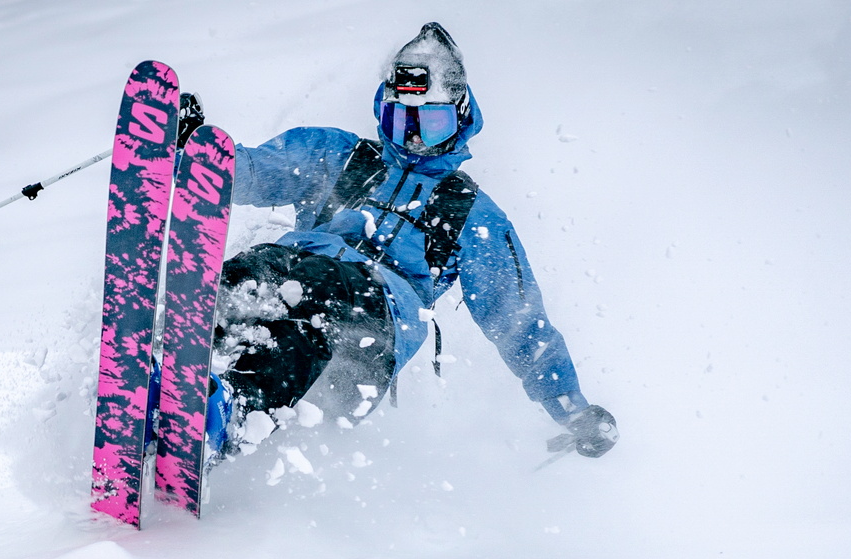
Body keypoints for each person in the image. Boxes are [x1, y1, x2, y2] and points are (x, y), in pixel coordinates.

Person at [207, 22, 616, 461]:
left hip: (368, 343)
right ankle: (189, 367)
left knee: (320, 286)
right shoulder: (340, 156)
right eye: (400, 120)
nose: (415, 138)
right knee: (258, 266)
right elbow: (252, 171)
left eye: (433, 123)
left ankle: (231, 416)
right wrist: (200, 156)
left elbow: (517, 321)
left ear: (459, 118)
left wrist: (572, 410)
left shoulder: (470, 213)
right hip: (298, 283)